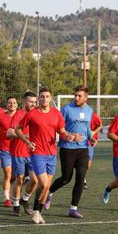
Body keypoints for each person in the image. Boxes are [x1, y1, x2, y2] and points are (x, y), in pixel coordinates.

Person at [16, 87, 70, 224]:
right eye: (42, 96)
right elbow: (17, 129)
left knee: (46, 187)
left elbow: (62, 131)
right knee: (44, 183)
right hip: (37, 153)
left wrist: (69, 136)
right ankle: (35, 211)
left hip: (52, 153)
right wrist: (27, 141)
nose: (44, 99)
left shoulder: (56, 114)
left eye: (47, 96)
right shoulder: (32, 114)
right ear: (39, 99)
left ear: (50, 98)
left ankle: (37, 211)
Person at [45, 85, 96, 218]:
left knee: (80, 178)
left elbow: (87, 127)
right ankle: (49, 193)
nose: (77, 97)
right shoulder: (66, 109)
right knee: (66, 179)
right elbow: (59, 127)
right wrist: (70, 136)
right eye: (75, 95)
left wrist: (91, 137)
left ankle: (73, 209)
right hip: (68, 148)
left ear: (86, 97)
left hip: (84, 148)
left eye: (80, 96)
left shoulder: (89, 110)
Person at [7, 92, 38, 216]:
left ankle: (24, 200)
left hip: (33, 153)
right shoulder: (18, 114)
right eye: (31, 101)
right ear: (24, 101)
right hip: (19, 152)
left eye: (34, 102)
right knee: (19, 179)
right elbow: (9, 133)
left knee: (35, 180)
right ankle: (15, 204)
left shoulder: (37, 114)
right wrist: (24, 136)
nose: (33, 104)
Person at [0, 97, 18, 207]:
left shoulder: (22, 115)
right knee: (7, 174)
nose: (12, 104)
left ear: (17, 104)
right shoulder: (0, 116)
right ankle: (6, 199)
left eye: (14, 103)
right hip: (5, 149)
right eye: (10, 103)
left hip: (18, 150)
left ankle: (14, 194)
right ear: (6, 104)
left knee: (14, 176)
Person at [84, 112, 102, 189]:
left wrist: (93, 133)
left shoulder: (93, 116)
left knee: (87, 164)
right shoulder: (75, 114)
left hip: (89, 143)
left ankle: (82, 177)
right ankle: (83, 180)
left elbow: (100, 125)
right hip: (78, 142)